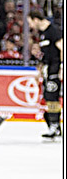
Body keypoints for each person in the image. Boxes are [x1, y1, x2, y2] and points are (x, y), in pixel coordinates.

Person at [27, 10, 63, 139]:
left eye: (30, 22)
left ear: (36, 19)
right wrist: (40, 69)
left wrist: (62, 66)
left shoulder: (53, 30)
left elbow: (62, 47)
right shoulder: (43, 34)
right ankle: (55, 126)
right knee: (48, 97)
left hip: (55, 68)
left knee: (52, 97)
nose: (30, 25)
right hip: (48, 69)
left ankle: (55, 126)